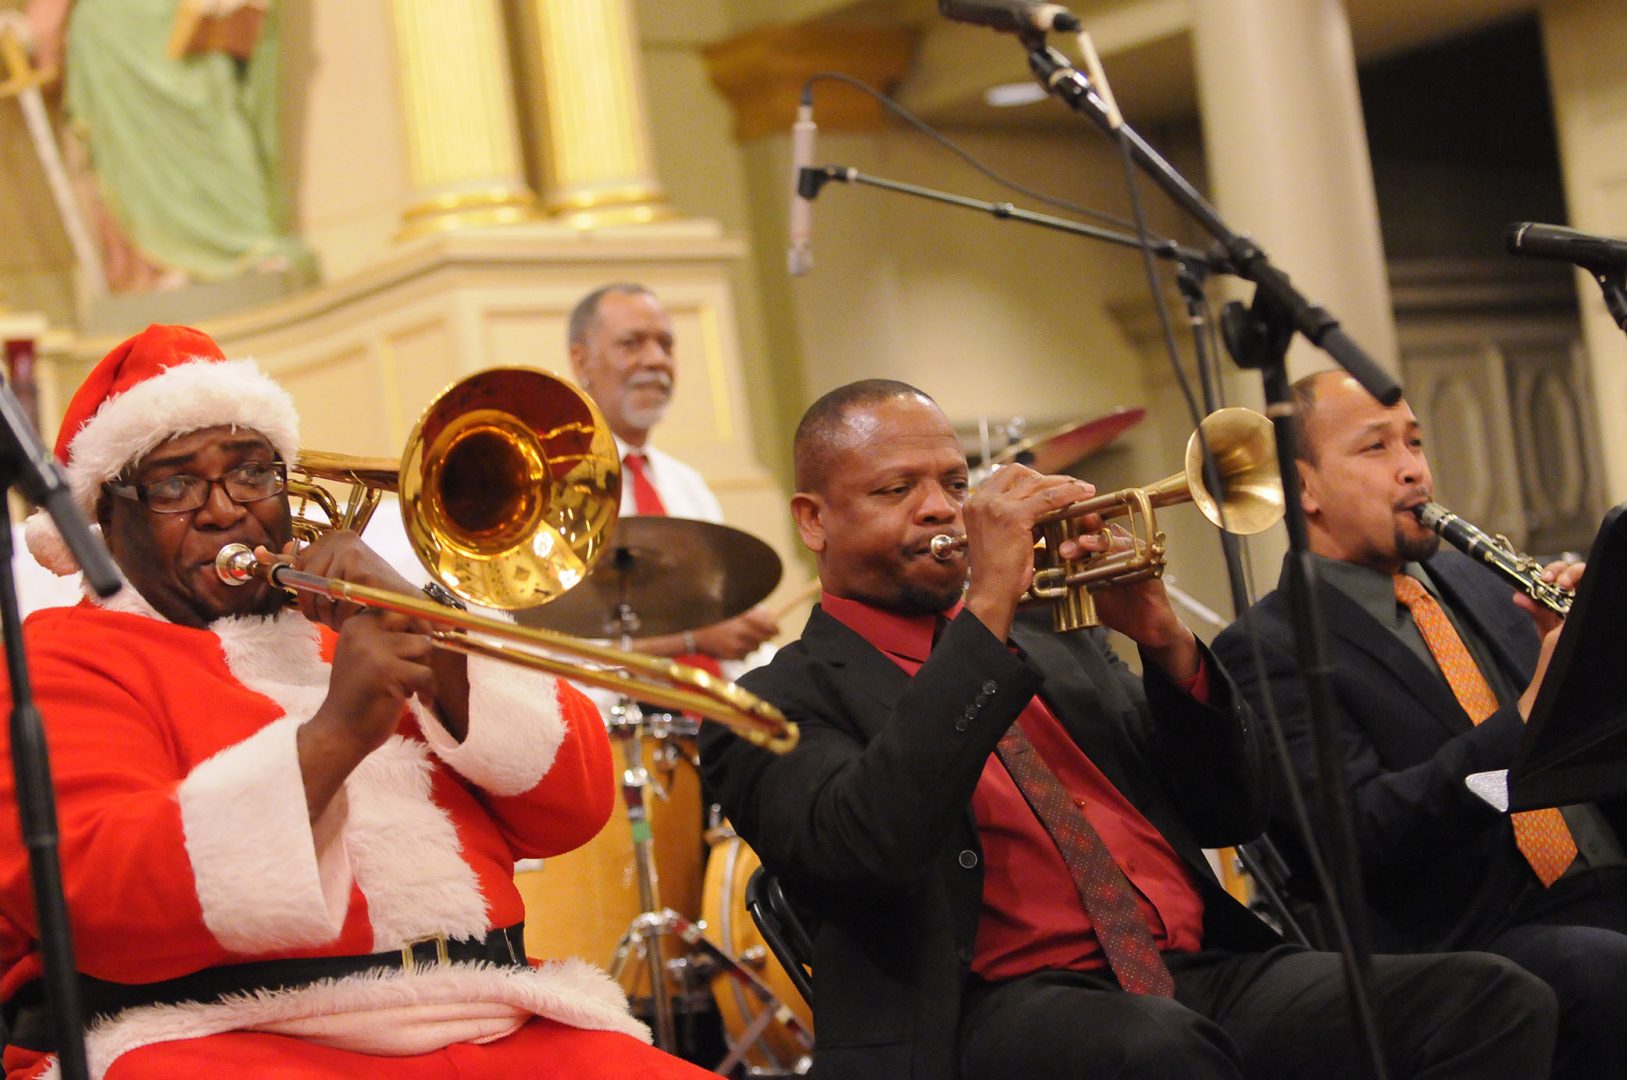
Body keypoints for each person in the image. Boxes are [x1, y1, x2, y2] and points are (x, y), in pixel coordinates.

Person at [697, 378, 1559, 1080]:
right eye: (897, 491)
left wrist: (1160, 637)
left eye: (956, 486)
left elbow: (1233, 812)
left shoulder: (1057, 648)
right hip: (990, 1010)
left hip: (1190, 973)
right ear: (812, 518)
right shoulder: (771, 702)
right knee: (1158, 1051)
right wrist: (989, 609)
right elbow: (868, 845)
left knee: (1490, 999)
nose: (941, 511)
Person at [0, 324, 712, 1079]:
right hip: (224, 1036)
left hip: (497, 1020)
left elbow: (572, 809)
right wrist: (334, 734)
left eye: (252, 474)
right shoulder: (60, 654)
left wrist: (434, 633)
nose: (223, 510)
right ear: (103, 520)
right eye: (175, 484)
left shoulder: (364, 630)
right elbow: (98, 898)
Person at [1213, 369, 1627, 1080]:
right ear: (1302, 487)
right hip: (1478, 931)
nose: (1412, 468)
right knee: (1602, 967)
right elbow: (1358, 833)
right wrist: (1522, 716)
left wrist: (1596, 655)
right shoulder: (1267, 649)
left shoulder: (1477, 584)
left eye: (1414, 441)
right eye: (1374, 449)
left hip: (1603, 880)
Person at [4, 0, 313, 291]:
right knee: (150, 121)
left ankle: (237, 245)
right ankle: (164, 266)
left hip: (188, 14)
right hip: (122, 24)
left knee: (208, 103)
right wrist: (45, 19)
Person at [566, 283, 778, 665]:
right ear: (582, 362)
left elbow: (719, 618)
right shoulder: (554, 487)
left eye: (666, 344)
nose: (656, 360)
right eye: (632, 344)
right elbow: (557, 651)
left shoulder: (687, 485)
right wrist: (693, 640)